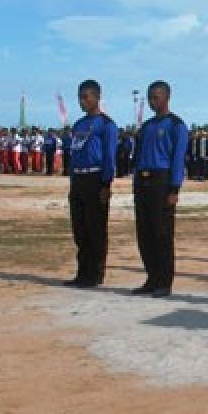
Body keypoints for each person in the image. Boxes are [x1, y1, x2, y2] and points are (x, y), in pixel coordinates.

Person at [132, 81, 188, 298]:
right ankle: (151, 278)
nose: (153, 101)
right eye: (150, 97)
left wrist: (174, 189)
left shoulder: (176, 125)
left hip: (162, 182)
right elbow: (138, 156)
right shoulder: (147, 126)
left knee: (162, 233)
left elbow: (177, 160)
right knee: (144, 232)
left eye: (157, 97)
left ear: (167, 97)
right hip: (143, 181)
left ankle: (164, 281)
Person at [66, 80, 119, 288]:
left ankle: (95, 274)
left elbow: (109, 157)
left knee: (95, 229)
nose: (82, 101)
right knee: (80, 229)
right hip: (78, 179)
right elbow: (75, 153)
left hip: (96, 179)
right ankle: (82, 272)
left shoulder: (107, 125)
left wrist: (106, 184)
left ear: (97, 97)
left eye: (86, 97)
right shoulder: (79, 124)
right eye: (80, 97)